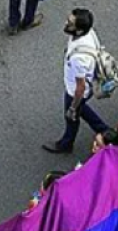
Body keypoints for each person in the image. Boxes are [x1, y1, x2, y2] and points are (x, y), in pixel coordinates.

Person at [44, 8, 109, 154]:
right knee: (82, 110)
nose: (66, 24)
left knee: (72, 117)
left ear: (79, 31)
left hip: (75, 92)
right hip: (86, 86)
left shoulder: (79, 59)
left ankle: (66, 144)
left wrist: (73, 107)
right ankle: (104, 130)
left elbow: (80, 87)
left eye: (70, 23)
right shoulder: (88, 33)